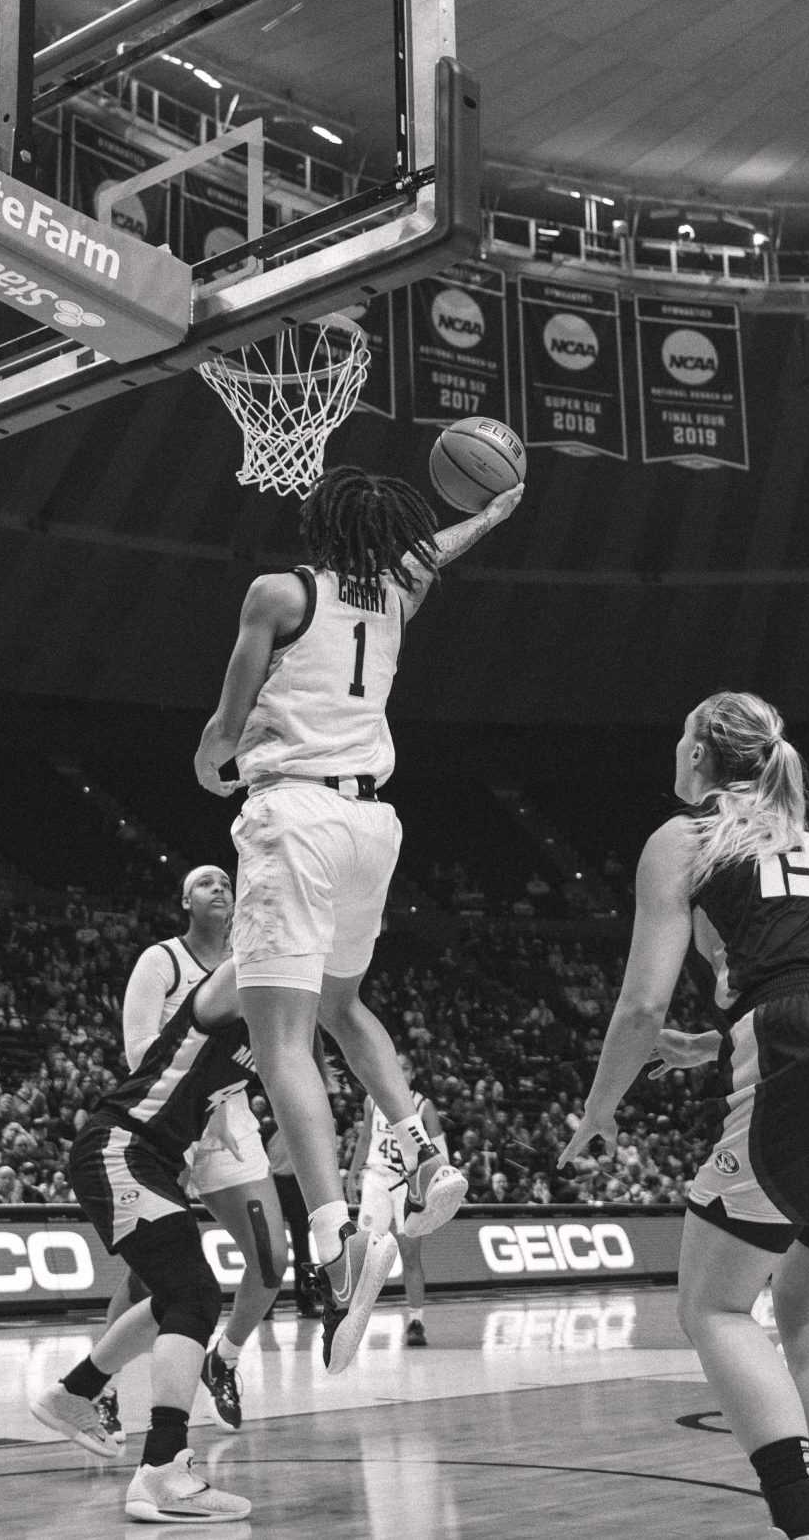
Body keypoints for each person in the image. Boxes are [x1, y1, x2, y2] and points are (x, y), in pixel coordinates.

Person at [563, 692, 809, 1540]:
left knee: (715, 1308)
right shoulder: (801, 833)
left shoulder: (682, 836)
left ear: (698, 755)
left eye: (678, 733)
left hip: (807, 1041)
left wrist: (599, 1106)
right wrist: (718, 1037)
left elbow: (638, 1005)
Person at [190, 467, 519, 1371]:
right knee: (343, 1005)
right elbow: (436, 550)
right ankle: (416, 1146)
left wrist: (211, 757)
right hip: (374, 822)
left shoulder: (281, 591)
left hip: (295, 812)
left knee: (283, 1038)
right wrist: (489, 510)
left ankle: (333, 1243)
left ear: (320, 524)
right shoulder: (401, 595)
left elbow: (229, 715)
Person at [31, 960, 258, 1523]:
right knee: (196, 1297)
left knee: (172, 1300)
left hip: (150, 1157)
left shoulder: (280, 1026)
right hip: (121, 1145)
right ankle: (161, 1468)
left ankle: (75, 1393)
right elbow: (259, 944)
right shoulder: (236, 984)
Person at [97, 865, 286, 1438]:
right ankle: (99, 1390)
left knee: (272, 1260)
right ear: (185, 900)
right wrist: (190, 1112)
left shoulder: (252, 971)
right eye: (206, 883)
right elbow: (139, 1052)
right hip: (167, 1122)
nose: (221, 888)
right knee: (149, 1277)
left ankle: (223, 1359)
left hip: (230, 1123)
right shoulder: (162, 961)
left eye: (226, 882)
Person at [352, 1071, 447, 1347]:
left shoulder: (422, 1106)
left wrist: (437, 1184)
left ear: (412, 1073)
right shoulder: (372, 1100)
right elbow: (364, 1138)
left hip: (408, 1183)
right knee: (365, 1252)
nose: (398, 1071)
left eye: (403, 1067)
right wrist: (352, 1174)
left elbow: (441, 1152)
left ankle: (416, 1320)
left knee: (410, 1254)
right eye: (395, 1066)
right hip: (376, 1179)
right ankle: (352, 1321)